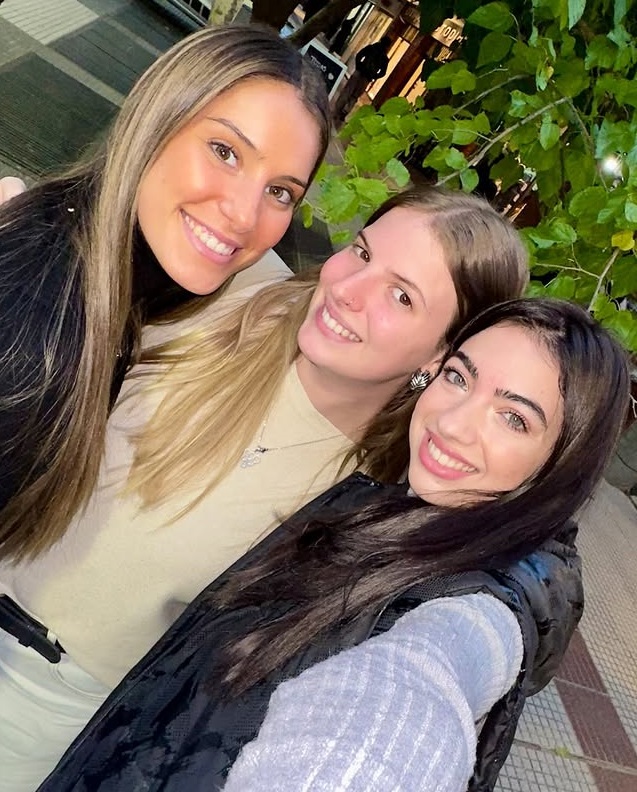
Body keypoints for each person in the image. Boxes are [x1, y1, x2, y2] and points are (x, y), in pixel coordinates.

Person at [0, 186, 531, 790]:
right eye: (362, 253)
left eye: (401, 295)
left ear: (440, 358)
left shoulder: (359, 503)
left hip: (53, 706)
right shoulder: (233, 288)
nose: (348, 290)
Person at [34, 297, 629, 792]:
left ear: (561, 464)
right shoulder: (398, 503)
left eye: (514, 418)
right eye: (458, 377)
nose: (452, 423)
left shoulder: (479, 607)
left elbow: (416, 690)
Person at [0, 23, 330, 562]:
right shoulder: (34, 325)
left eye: (279, 191)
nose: (244, 216)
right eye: (225, 151)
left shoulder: (110, 276)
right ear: (156, 123)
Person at [333, 35, 391, 123]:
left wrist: (358, 66)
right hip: (367, 78)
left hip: (359, 72)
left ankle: (336, 110)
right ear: (387, 46)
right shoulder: (384, 58)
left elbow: (359, 55)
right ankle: (344, 112)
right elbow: (383, 73)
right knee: (354, 96)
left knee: (347, 91)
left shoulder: (371, 48)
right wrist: (374, 76)